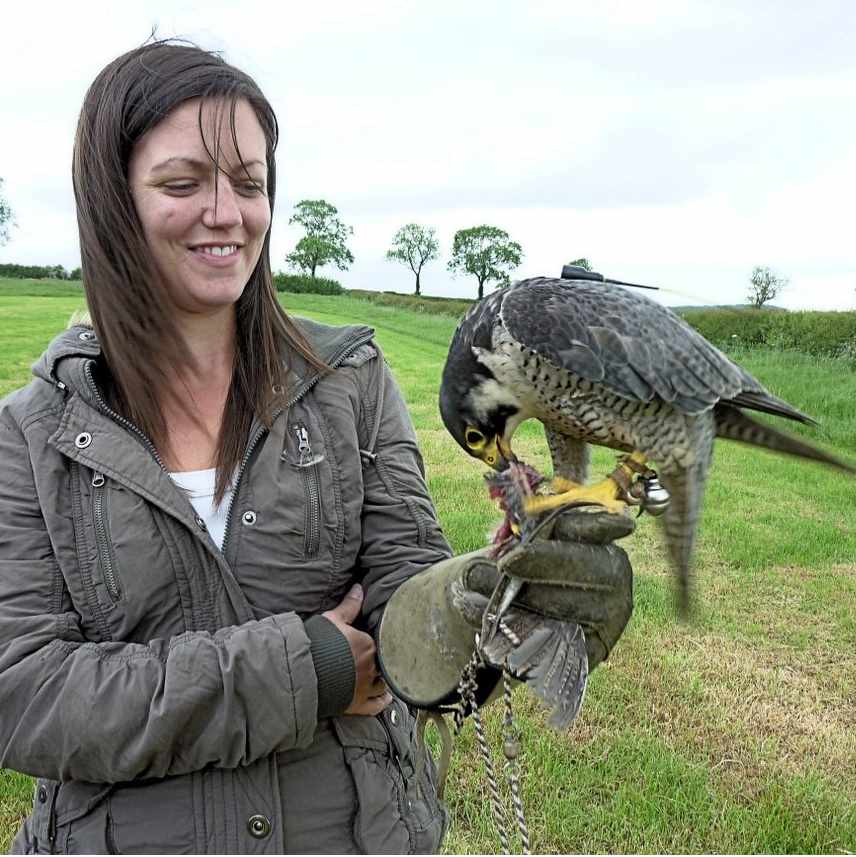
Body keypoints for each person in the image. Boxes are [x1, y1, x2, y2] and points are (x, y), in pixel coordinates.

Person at [0, 41, 633, 854]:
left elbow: (407, 594)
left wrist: (494, 596)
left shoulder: (350, 382)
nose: (226, 213)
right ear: (112, 200)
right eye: (183, 182)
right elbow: (25, 694)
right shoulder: (31, 435)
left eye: (250, 182)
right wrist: (310, 669)